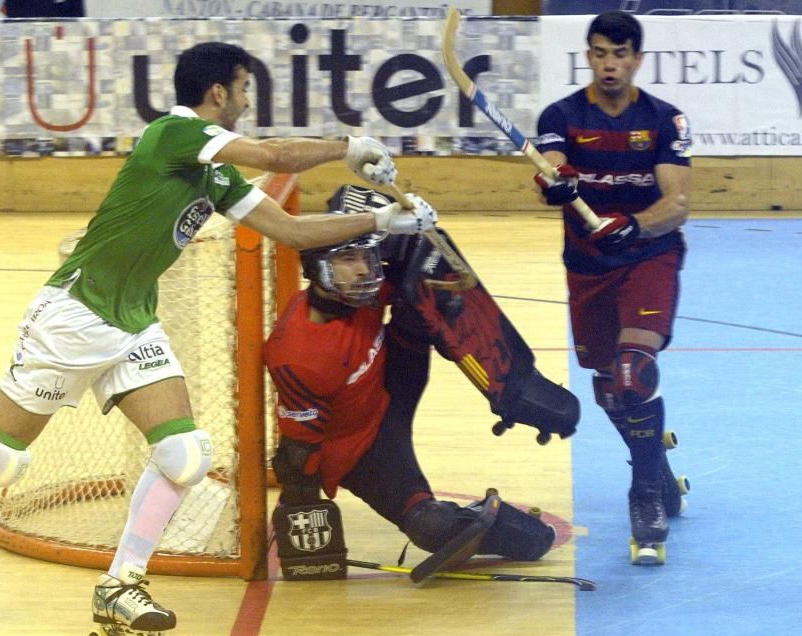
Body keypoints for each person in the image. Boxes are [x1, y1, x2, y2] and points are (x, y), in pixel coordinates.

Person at [0, 41, 439, 636]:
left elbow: (289, 230)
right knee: (0, 460)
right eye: (243, 91)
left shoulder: (215, 174)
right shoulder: (173, 134)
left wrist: (382, 223)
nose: (246, 103)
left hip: (132, 323)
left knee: (185, 455)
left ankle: (121, 584)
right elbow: (274, 153)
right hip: (73, 316)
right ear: (217, 94)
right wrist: (352, 147)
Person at [263, 194, 558, 580]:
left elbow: (420, 265)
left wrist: (426, 245)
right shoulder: (297, 353)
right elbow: (299, 451)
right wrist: (302, 521)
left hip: (391, 389)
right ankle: (507, 525)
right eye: (347, 260)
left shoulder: (361, 293)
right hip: (361, 449)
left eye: (367, 258)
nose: (364, 271)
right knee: (430, 526)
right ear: (317, 269)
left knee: (419, 293)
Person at [532, 11, 692, 565]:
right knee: (608, 387)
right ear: (589, 56)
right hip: (587, 266)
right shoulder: (562, 116)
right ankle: (659, 469)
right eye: (600, 53)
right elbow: (551, 166)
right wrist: (555, 183)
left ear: (637, 60)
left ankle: (644, 496)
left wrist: (633, 225)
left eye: (620, 54)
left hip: (648, 256)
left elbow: (676, 205)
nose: (610, 64)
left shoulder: (665, 121)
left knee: (633, 372)